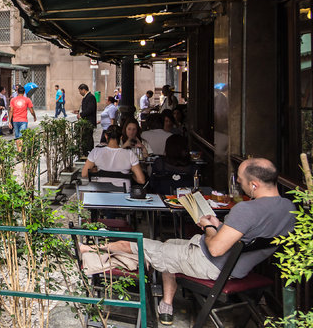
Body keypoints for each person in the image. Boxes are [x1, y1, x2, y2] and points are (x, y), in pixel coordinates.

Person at [81, 158, 295, 325]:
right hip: (238, 267)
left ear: (255, 185)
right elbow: (245, 238)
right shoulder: (290, 209)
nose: (238, 182)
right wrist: (219, 227)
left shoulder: (247, 210)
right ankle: (166, 303)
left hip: (211, 265)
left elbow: (216, 248)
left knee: (141, 244)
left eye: (240, 179)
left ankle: (89, 248)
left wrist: (208, 225)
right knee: (169, 244)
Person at [81, 125, 145, 190]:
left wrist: (95, 171)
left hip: (101, 192)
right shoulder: (130, 154)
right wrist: (130, 175)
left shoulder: (96, 152)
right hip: (123, 194)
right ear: (121, 137)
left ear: (106, 136)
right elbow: (141, 180)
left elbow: (84, 174)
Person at [77, 83, 97, 153]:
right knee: (85, 137)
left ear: (84, 90)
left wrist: (81, 114)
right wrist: (78, 112)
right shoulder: (86, 97)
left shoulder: (90, 97)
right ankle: (86, 152)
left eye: (80, 91)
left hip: (89, 121)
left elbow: (90, 109)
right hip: (86, 121)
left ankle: (89, 152)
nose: (79, 93)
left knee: (88, 138)